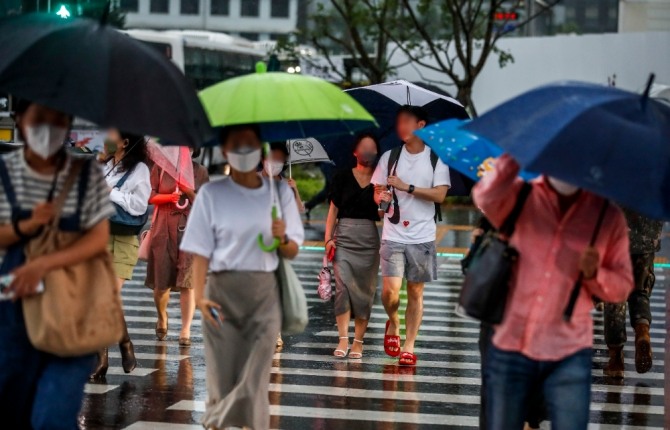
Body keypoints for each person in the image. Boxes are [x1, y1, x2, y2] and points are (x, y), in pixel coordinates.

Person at [474, 154, 634, 430]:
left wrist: (596, 274)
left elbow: (622, 287)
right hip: (511, 341)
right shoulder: (523, 196)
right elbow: (486, 199)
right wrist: (511, 157)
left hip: (567, 349)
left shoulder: (607, 218)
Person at [0, 100, 116, 429]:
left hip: (73, 304)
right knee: (13, 404)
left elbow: (97, 238)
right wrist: (27, 226)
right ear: (20, 118)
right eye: (40, 118)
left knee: (54, 413)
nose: (49, 127)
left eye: (59, 119)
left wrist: (45, 263)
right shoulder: (5, 173)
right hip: (12, 303)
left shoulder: (85, 174)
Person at [180, 124, 304, 430]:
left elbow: (292, 250)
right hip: (220, 293)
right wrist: (199, 297)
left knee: (255, 378)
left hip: (265, 295)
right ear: (225, 151)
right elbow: (200, 251)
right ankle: (219, 416)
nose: (244, 150)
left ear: (261, 148)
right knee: (222, 377)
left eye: (251, 143)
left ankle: (218, 419)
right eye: (237, 144)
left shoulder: (281, 194)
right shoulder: (211, 194)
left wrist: (282, 238)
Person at [372, 105, 451, 366]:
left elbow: (440, 194)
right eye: (399, 122)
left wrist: (408, 187)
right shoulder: (390, 157)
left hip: (422, 235)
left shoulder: (435, 159)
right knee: (389, 292)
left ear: (421, 125)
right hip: (393, 233)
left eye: (407, 121)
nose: (401, 126)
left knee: (415, 291)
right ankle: (393, 322)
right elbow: (378, 192)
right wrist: (380, 197)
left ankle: (409, 344)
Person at [90, 129, 151, 380]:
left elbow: (139, 205)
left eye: (112, 134)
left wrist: (111, 192)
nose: (107, 137)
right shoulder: (106, 166)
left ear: (125, 142)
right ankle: (119, 346)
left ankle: (106, 358)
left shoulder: (140, 170)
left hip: (124, 240)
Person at [145, 148, 209, 346]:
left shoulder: (200, 172)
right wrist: (167, 198)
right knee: (160, 284)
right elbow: (149, 195)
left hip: (190, 230)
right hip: (163, 229)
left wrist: (188, 191)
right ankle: (162, 316)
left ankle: (185, 329)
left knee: (187, 283)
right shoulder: (160, 168)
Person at [325, 133, 381, 359]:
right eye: (364, 147)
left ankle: (358, 341)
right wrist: (328, 238)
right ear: (355, 152)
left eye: (372, 147)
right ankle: (343, 339)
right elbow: (333, 211)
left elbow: (382, 215)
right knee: (343, 290)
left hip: (368, 240)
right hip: (344, 238)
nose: (368, 151)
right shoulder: (341, 177)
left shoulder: (381, 179)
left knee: (365, 292)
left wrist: (382, 199)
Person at [603, 209, 663, 377]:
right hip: (647, 235)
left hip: (615, 235)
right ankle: (642, 331)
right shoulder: (650, 181)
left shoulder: (616, 180)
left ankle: (616, 360)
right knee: (640, 290)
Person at [263, 141, 305, 213]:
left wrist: (295, 189)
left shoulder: (287, 184)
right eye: (273, 157)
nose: (275, 162)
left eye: (279, 159)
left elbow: (299, 209)